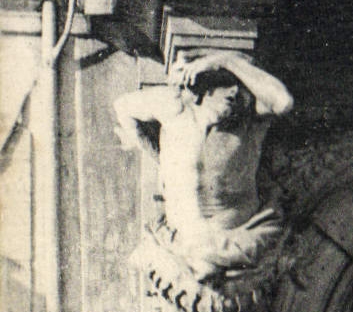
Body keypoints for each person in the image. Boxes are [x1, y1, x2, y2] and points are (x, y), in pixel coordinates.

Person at [115, 51, 294, 282]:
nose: (235, 92)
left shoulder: (249, 121)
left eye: (240, 86)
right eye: (228, 83)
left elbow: (283, 101)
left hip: (236, 242)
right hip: (182, 243)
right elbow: (122, 106)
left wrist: (226, 61)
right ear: (205, 87)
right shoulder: (174, 109)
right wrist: (152, 151)